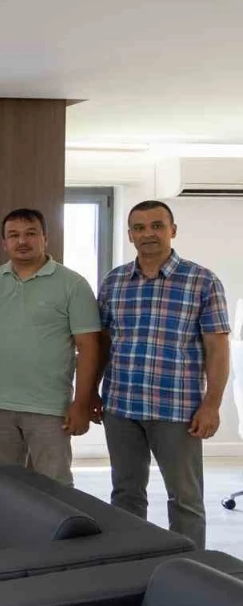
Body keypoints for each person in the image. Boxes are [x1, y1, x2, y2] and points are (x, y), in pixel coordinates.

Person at [96, 200, 229, 551]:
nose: (148, 234)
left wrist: (212, 405)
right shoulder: (114, 281)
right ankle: (128, 563)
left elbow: (217, 348)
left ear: (173, 230)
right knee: (125, 494)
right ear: (130, 235)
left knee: (185, 498)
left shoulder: (202, 281)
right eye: (139, 228)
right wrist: (92, 390)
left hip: (176, 409)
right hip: (121, 406)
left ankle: (190, 570)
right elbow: (103, 342)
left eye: (157, 225)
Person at [0, 208, 101, 486]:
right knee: (5, 486)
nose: (22, 241)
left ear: (45, 239)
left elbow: (89, 348)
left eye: (31, 234)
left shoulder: (73, 284)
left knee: (56, 488)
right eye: (13, 235)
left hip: (50, 408)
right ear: (4, 243)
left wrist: (81, 403)